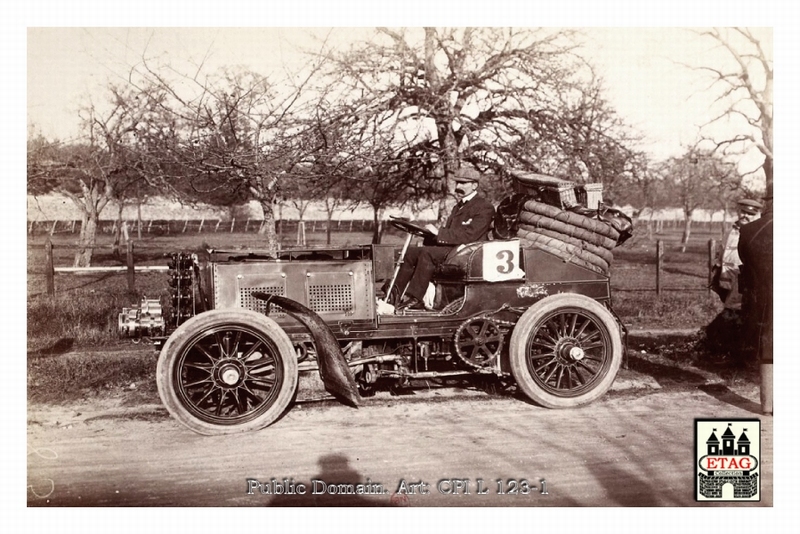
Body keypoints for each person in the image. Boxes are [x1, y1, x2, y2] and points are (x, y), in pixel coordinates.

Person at [393, 167, 495, 310]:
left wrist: (439, 233)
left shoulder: (485, 207)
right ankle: (393, 295)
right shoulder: (458, 207)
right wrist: (428, 234)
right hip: (454, 248)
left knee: (427, 253)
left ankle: (414, 298)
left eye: (463, 183)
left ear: (474, 185)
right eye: (458, 183)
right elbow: (452, 232)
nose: (458, 187)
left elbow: (469, 235)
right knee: (410, 252)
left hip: (468, 252)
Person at [737, 197, 773, 415]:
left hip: (764, 297)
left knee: (768, 346)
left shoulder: (749, 230)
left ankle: (768, 405)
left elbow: (746, 264)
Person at [711, 198, 762, 308]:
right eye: (743, 212)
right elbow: (722, 251)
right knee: (729, 307)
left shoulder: (758, 232)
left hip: (745, 280)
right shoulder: (730, 231)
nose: (745, 216)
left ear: (757, 215)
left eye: (750, 214)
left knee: (737, 309)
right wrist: (717, 267)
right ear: (738, 211)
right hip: (726, 278)